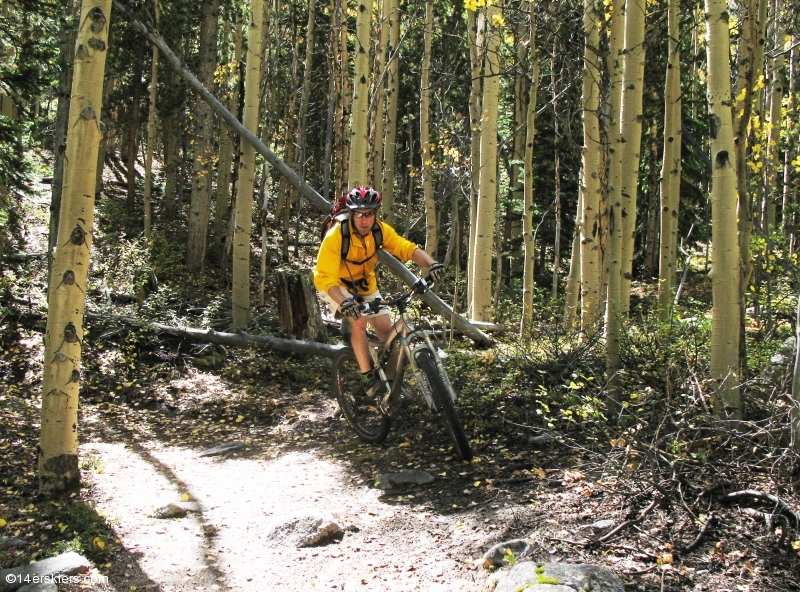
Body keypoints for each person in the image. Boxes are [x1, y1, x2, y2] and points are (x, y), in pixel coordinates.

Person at [314, 186, 445, 397]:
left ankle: (390, 385)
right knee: (358, 320)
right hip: (334, 285)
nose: (364, 220)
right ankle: (368, 379)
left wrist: (432, 264)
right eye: (359, 215)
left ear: (375, 213)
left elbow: (406, 248)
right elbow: (324, 276)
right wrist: (345, 303)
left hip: (364, 284)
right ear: (352, 214)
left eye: (369, 214)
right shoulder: (336, 235)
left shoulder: (379, 230)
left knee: (388, 333)